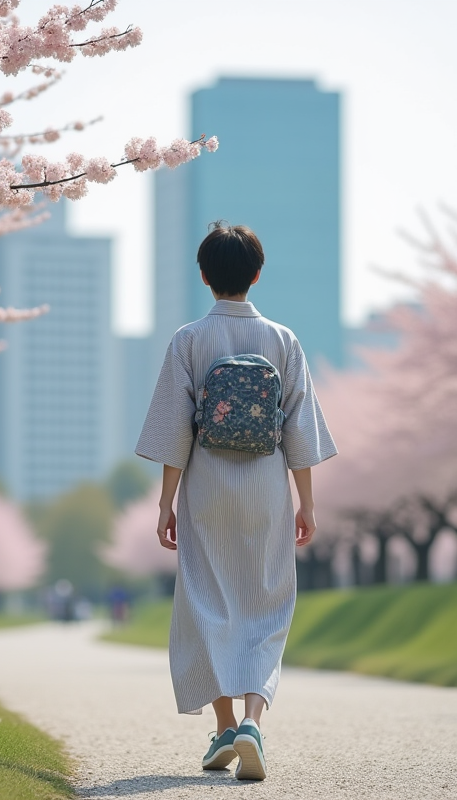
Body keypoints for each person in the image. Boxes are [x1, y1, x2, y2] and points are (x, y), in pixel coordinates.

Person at [135, 222, 337, 781]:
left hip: (206, 489)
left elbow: (174, 432)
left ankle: (224, 726)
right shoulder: (283, 340)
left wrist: (165, 504)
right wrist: (306, 504)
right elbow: (300, 433)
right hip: (267, 487)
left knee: (206, 602)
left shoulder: (188, 340)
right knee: (265, 603)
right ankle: (251, 722)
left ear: (204, 276)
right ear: (257, 274)